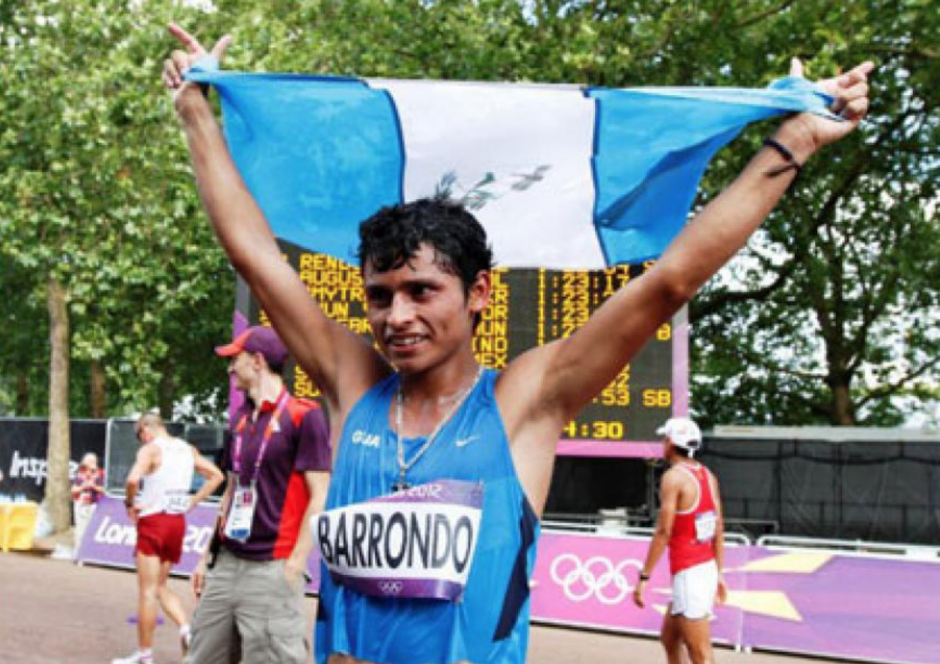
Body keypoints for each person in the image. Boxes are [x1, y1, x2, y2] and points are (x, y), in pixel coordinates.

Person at [162, 23, 872, 664]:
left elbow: (670, 280)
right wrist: (198, 115)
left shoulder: (525, 399)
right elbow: (256, 255)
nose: (395, 316)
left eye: (420, 291)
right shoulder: (353, 384)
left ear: (478, 295)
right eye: (379, 297)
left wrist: (797, 140)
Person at [184, 325, 331, 664]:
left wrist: (294, 565)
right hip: (227, 564)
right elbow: (232, 491)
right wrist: (207, 557)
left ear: (258, 361)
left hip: (272, 569)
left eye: (235, 359)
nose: (230, 368)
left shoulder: (304, 416)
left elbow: (320, 493)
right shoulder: (240, 419)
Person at [113, 413, 224, 664]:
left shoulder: (150, 450)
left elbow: (132, 479)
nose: (141, 441)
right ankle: (186, 629)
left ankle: (144, 655)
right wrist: (192, 502)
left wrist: (130, 503)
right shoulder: (187, 449)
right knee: (161, 586)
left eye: (139, 436)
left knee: (147, 592)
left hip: (154, 521)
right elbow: (217, 476)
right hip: (176, 522)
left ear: (146, 429)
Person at [633, 417, 725, 664]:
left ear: (672, 443)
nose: (662, 443)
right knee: (670, 640)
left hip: (689, 573)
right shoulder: (707, 475)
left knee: (700, 654)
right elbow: (718, 526)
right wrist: (719, 572)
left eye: (665, 439)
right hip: (702, 568)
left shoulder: (674, 478)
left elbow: (664, 531)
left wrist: (644, 577)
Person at [71, 451, 105, 556]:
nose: (90, 463)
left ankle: (92, 554)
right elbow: (73, 490)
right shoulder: (80, 474)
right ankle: (78, 554)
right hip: (81, 504)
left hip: (95, 505)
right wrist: (83, 487)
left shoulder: (101, 474)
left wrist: (94, 486)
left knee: (93, 530)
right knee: (80, 530)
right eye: (88, 461)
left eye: (92, 461)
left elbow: (104, 490)